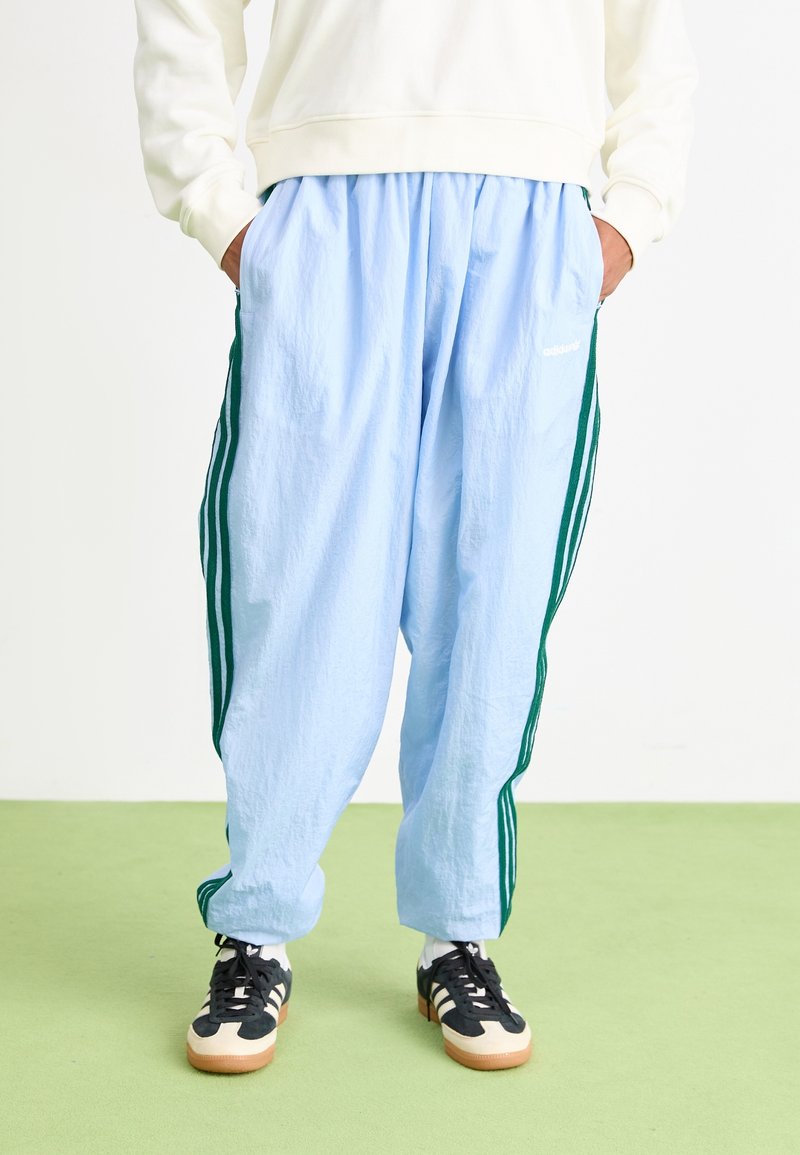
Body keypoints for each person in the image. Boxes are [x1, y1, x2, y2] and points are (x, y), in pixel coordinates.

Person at [131, 0, 698, 1074]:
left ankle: (458, 934)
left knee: (492, 600)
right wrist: (219, 210)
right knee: (299, 592)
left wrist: (628, 217)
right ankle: (256, 928)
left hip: (529, 216)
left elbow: (653, 33)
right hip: (329, 209)